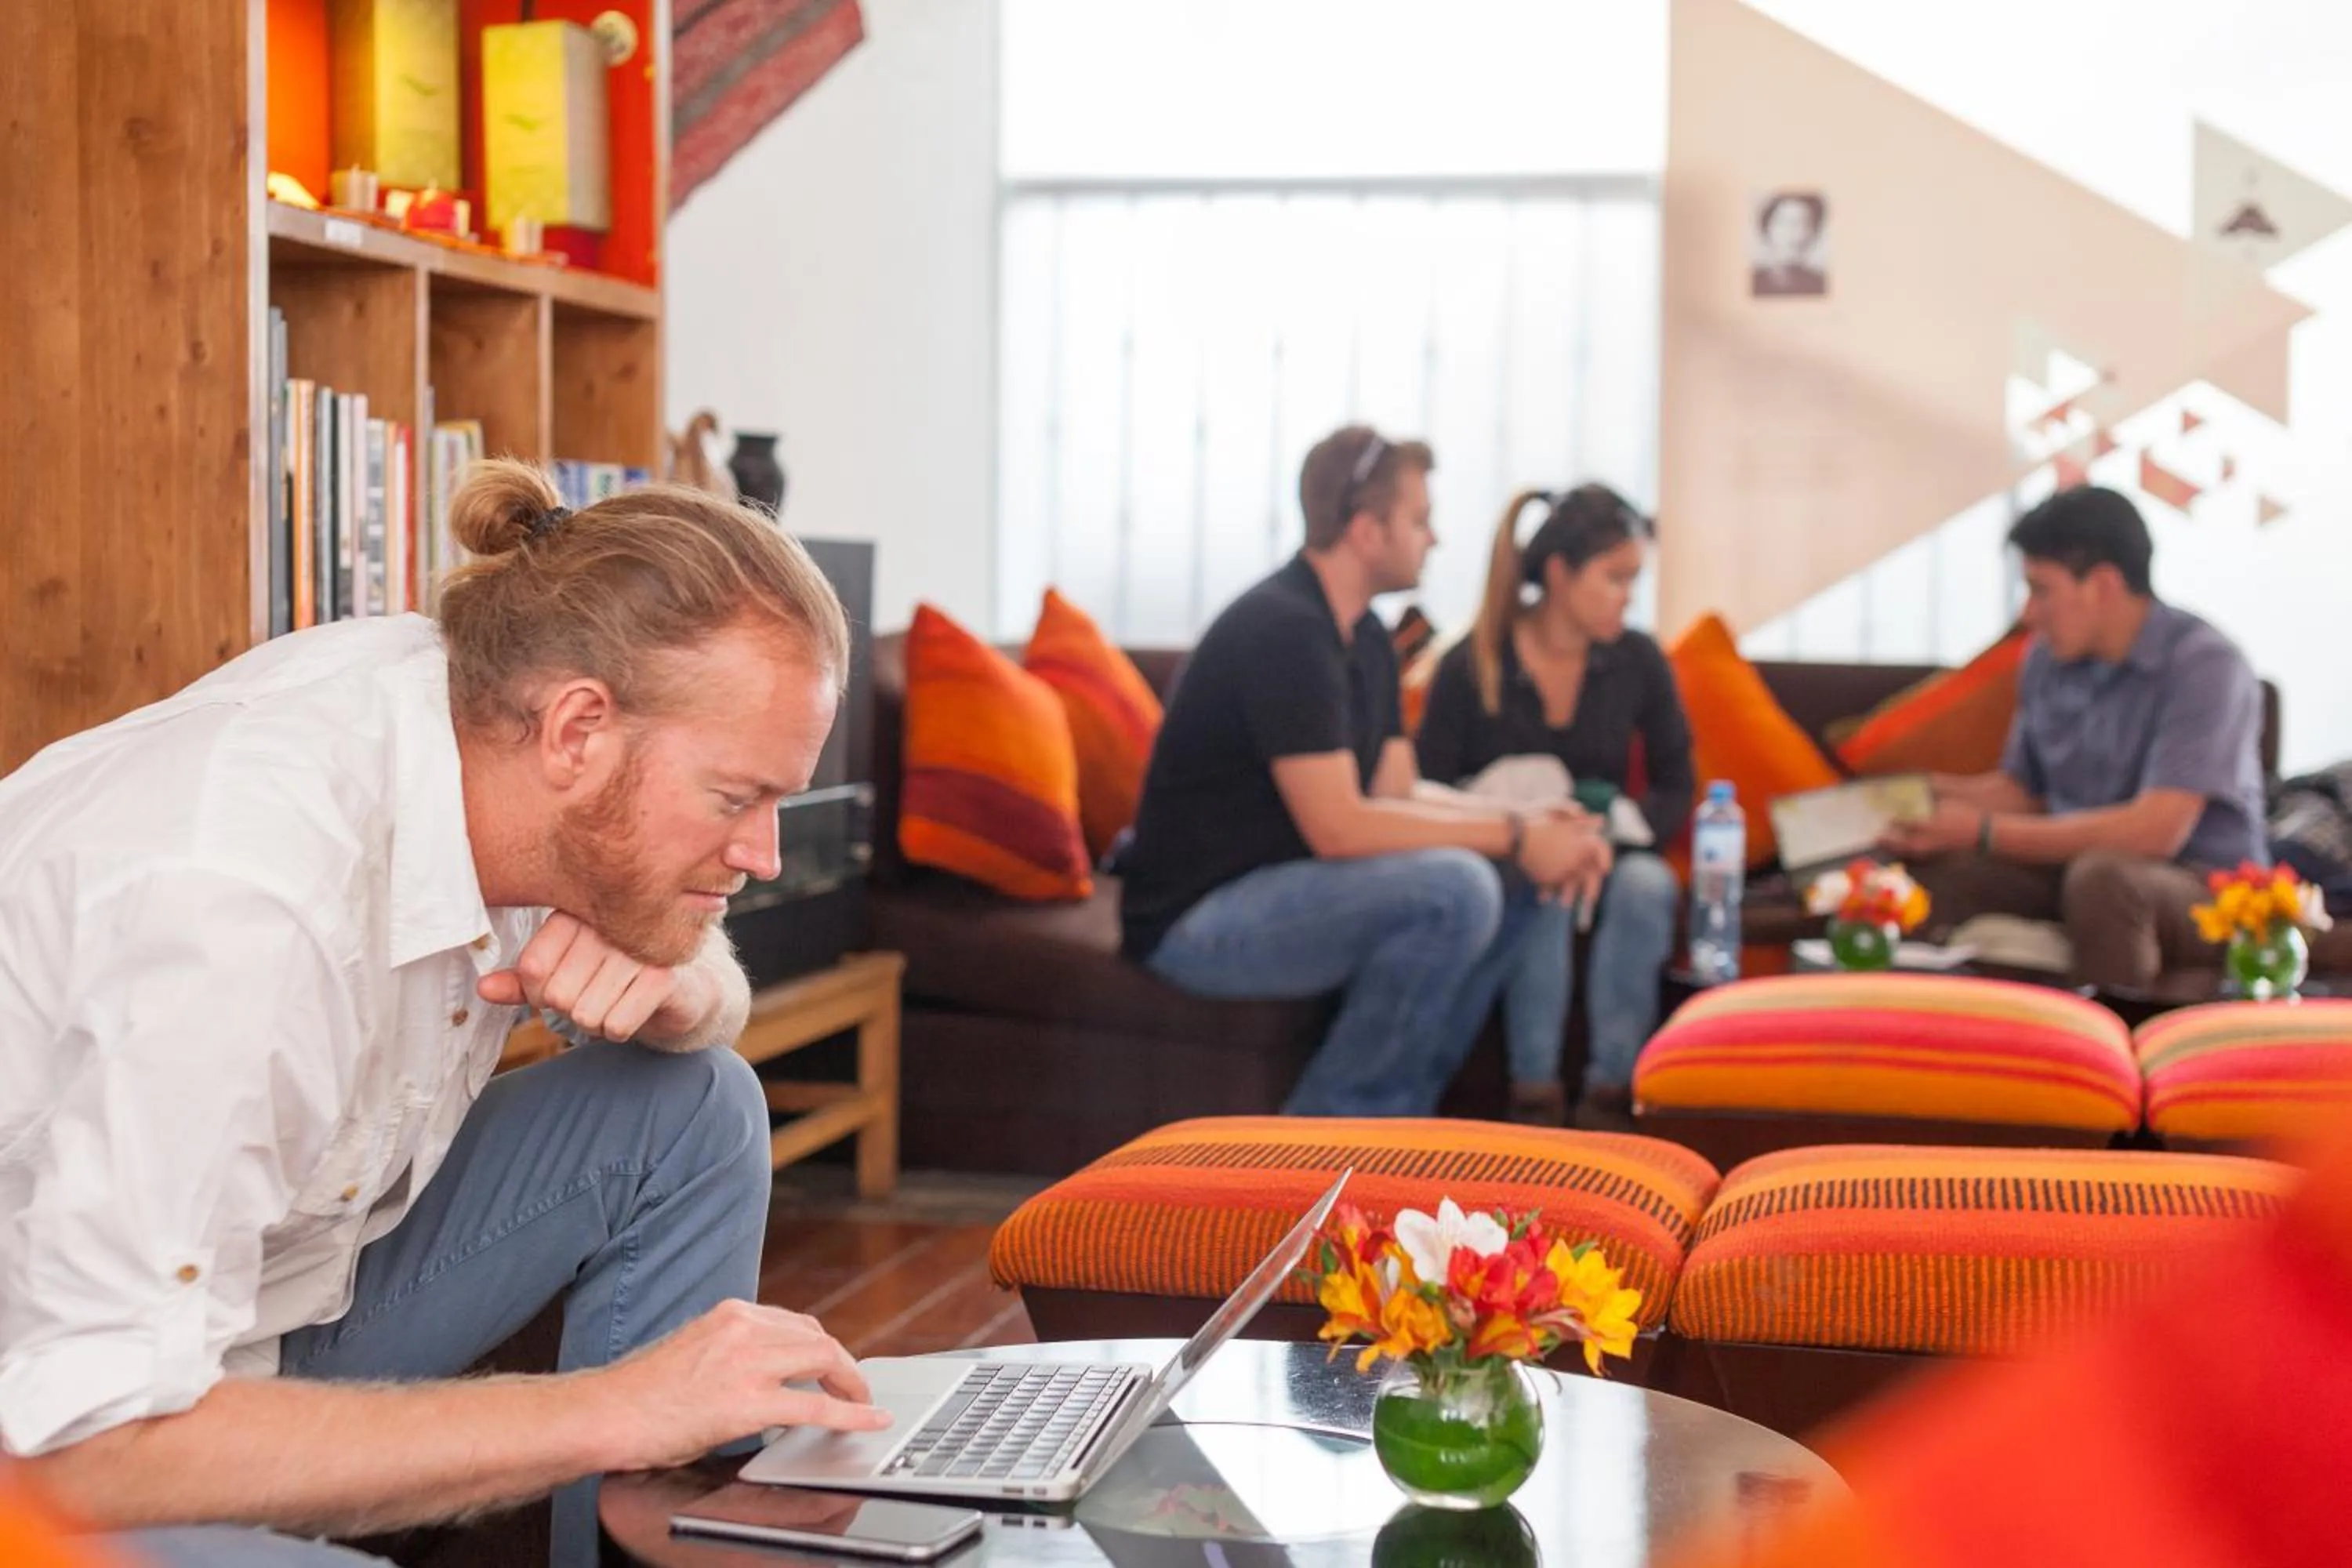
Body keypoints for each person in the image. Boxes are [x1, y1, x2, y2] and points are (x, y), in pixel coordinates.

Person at [0, 462, 893, 1568]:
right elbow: (86, 1442)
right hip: (70, 1449)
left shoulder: (491, 720)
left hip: (272, 1309)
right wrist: (621, 1407)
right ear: (577, 733)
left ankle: (657, 1527)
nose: (762, 856)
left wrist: (686, 987)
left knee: (694, 1101)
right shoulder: (240, 911)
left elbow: (713, 992)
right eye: (735, 799)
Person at [1119, 426, 1613, 1118]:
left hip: (1284, 889)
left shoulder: (1368, 639)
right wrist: (1512, 832)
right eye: (1419, 520)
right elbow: (1340, 828)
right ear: (1366, 530)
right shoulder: (1285, 631)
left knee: (1513, 880)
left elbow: (1398, 793)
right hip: (1199, 919)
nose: (1434, 539)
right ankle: (1320, 1145)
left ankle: (1402, 1123)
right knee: (1456, 886)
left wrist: (1532, 828)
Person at [1882, 485, 2267, 992]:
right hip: (2079, 868)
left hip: (2204, 887)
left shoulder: (2205, 666)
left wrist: (1980, 830)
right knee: (1938, 873)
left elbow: (2155, 831)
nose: (2029, 613)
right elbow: (2023, 791)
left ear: (2104, 585)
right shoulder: (2045, 660)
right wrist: (1922, 794)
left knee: (2104, 880)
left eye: (2042, 590)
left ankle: (2106, 1055)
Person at [1416, 485, 1693, 1128]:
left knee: (1648, 886)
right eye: (1616, 577)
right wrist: (1533, 839)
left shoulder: (1638, 660)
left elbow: (1677, 781)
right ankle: (1533, 1093)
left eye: (1635, 579)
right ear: (1561, 573)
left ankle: (1611, 1098)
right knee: (1543, 885)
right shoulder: (1471, 663)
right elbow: (1424, 788)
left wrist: (1618, 833)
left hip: (1616, 850)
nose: (1629, 596)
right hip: (1512, 856)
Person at [1751, 191, 1828, 297]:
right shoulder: (1754, 281)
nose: (1794, 233)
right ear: (1767, 229)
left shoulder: (1821, 283)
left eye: (1804, 224)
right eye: (1784, 223)